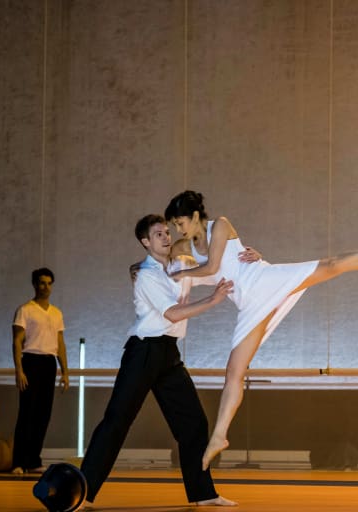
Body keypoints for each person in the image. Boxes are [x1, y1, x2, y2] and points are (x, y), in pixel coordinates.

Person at [164, 190, 358, 470]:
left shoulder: (220, 225)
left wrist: (184, 272)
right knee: (234, 372)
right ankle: (219, 436)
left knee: (332, 265)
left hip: (264, 280)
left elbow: (213, 266)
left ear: (195, 216)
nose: (178, 230)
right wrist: (150, 270)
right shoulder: (183, 247)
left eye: (180, 223)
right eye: (174, 225)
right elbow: (167, 265)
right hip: (250, 304)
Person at [79, 214, 238, 509]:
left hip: (169, 354)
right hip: (143, 352)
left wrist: (248, 257)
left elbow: (217, 270)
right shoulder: (144, 275)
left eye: (167, 232)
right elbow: (173, 314)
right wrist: (212, 300)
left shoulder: (183, 265)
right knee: (117, 421)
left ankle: (203, 493)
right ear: (145, 242)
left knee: (194, 422)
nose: (166, 237)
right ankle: (83, 493)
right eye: (158, 234)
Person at [11, 267, 70, 474]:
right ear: (35, 285)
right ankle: (18, 461)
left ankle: (33, 460)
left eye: (49, 283)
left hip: (48, 363)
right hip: (31, 361)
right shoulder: (25, 310)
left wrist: (65, 372)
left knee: (43, 414)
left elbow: (60, 343)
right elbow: (17, 341)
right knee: (27, 412)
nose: (46, 287)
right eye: (42, 283)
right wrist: (19, 370)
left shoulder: (56, 313)